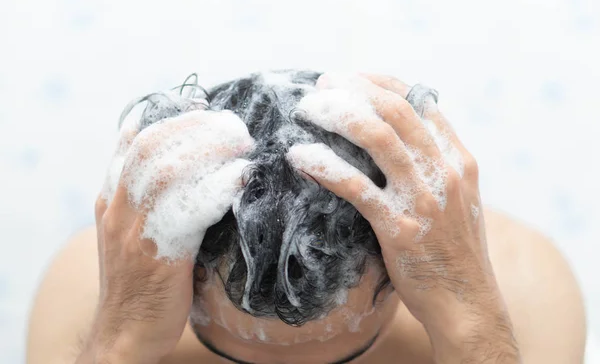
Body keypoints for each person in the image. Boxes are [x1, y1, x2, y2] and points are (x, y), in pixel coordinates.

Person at [27, 71, 587, 364]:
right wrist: (120, 343)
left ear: (403, 281)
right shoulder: (90, 291)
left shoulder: (523, 290)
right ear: (175, 276)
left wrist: (472, 328)